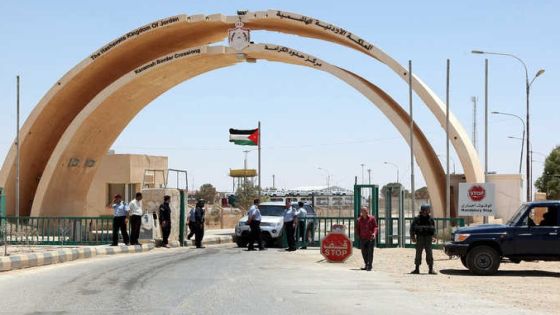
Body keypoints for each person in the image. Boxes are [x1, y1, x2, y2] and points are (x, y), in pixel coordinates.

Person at [410, 204, 437, 274]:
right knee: (418, 253)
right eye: (427, 210)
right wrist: (413, 237)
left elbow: (433, 229)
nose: (428, 211)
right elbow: (412, 228)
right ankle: (417, 269)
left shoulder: (430, 219)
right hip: (420, 238)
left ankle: (431, 269)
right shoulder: (417, 219)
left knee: (429, 253)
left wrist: (434, 237)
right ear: (424, 210)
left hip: (428, 238)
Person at [356, 207, 378, 271]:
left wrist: (374, 233)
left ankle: (369, 266)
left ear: (367, 211)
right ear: (361, 212)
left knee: (370, 252)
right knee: (364, 252)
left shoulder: (372, 218)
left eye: (365, 211)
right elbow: (357, 228)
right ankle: (366, 264)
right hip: (363, 238)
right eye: (362, 211)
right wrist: (358, 235)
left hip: (370, 238)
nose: (364, 212)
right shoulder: (359, 220)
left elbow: (375, 227)